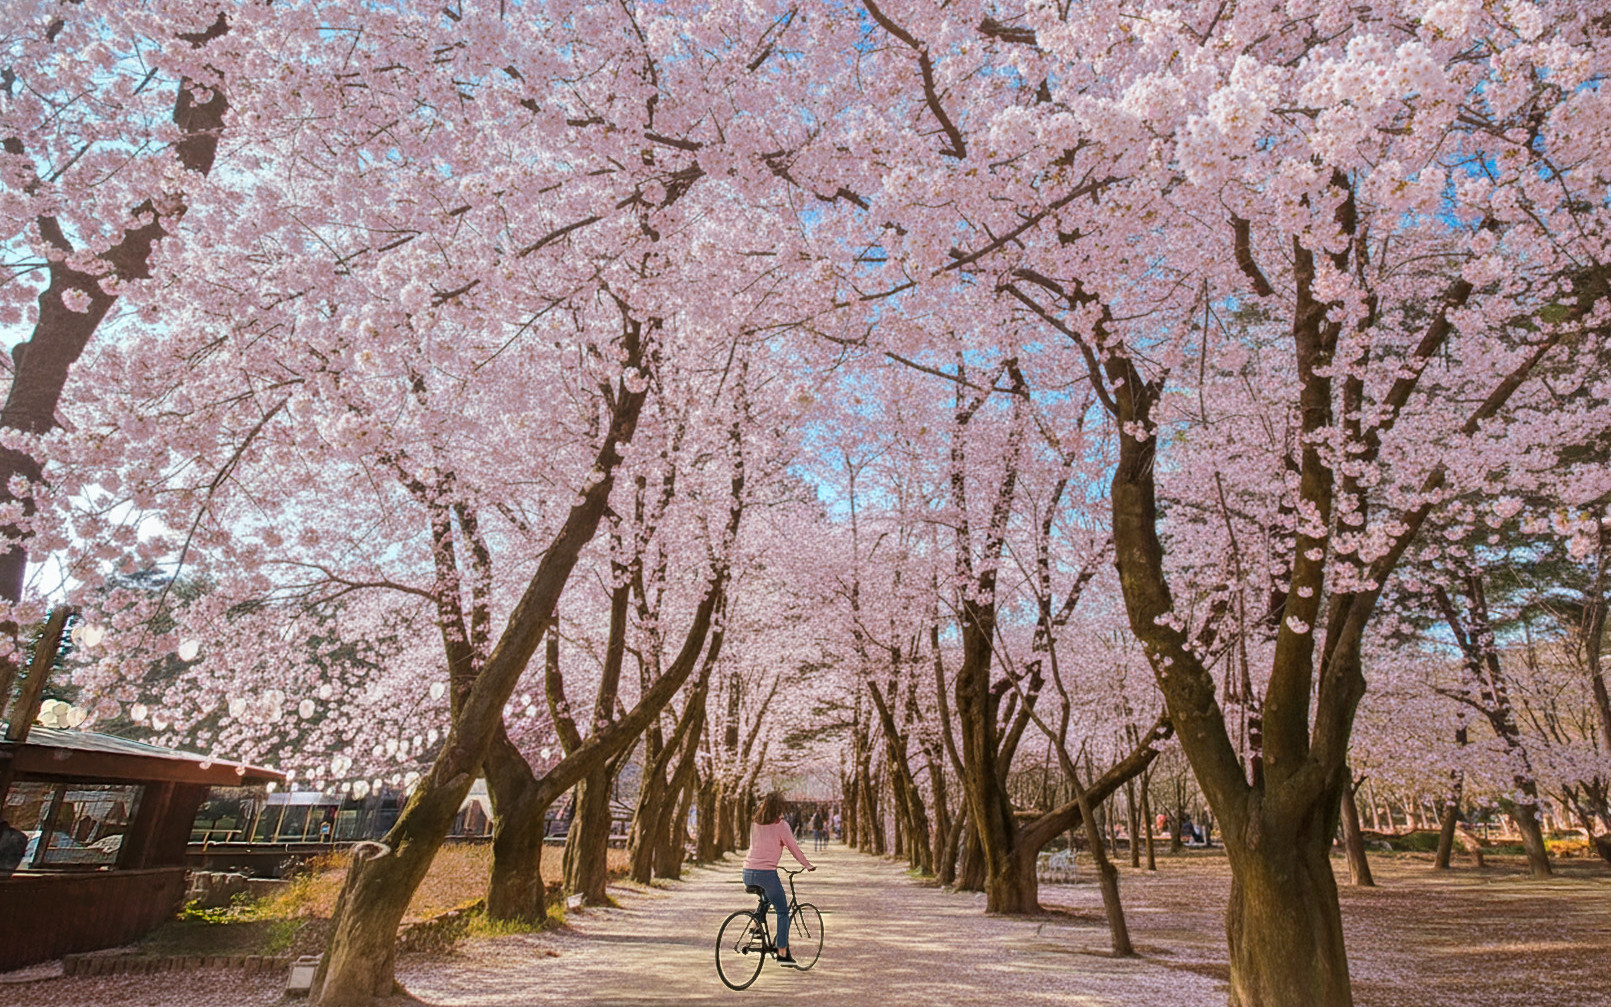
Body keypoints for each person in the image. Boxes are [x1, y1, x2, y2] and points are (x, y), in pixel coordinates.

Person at [742, 792, 814, 967]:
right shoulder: (781, 826)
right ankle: (783, 953)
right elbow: (793, 847)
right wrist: (807, 865)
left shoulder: (755, 824)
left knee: (766, 899)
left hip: (747, 872)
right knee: (782, 912)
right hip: (766, 874)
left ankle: (755, 926)